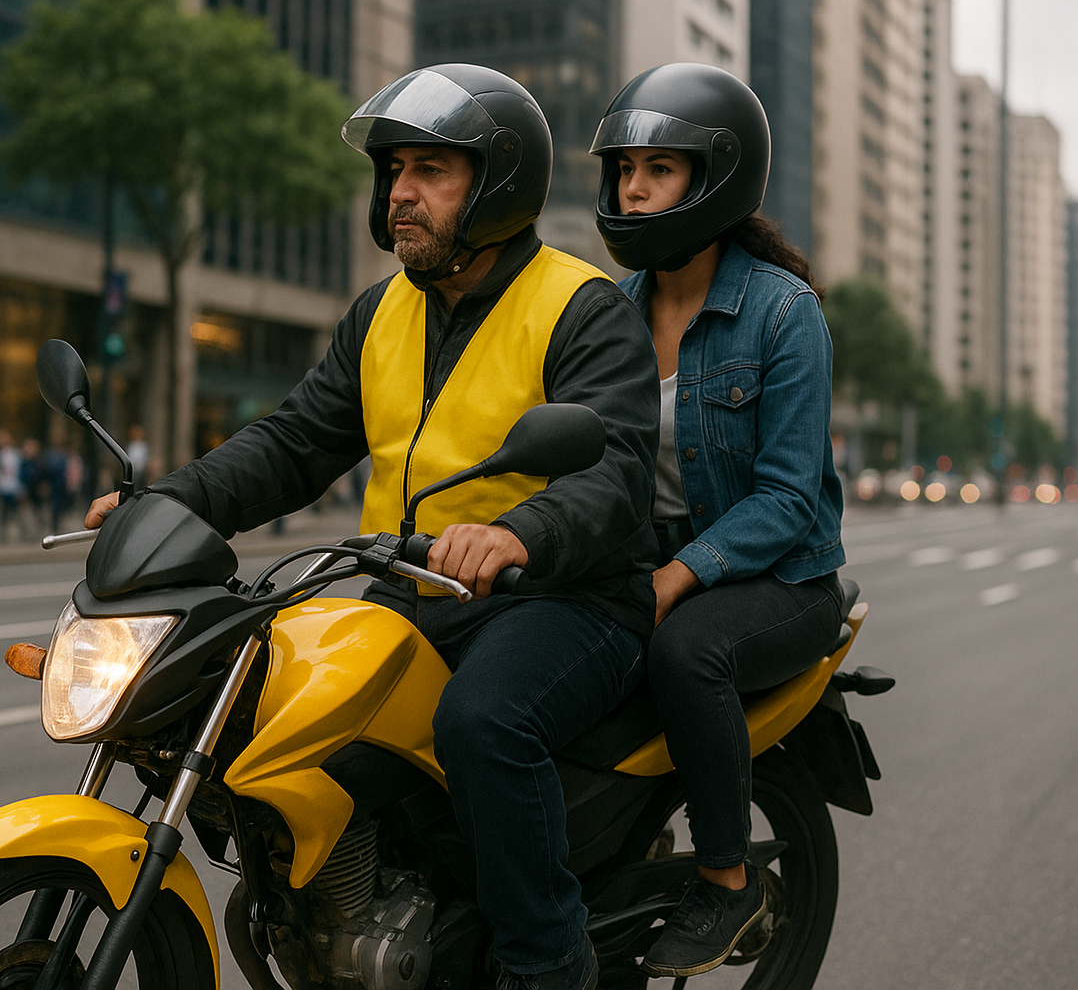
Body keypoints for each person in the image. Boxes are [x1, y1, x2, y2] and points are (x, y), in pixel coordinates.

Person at [85, 64, 660, 990]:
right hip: (410, 591)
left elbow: (615, 469)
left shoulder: (580, 307)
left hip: (563, 598)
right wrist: (171, 502)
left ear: (498, 184)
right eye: (394, 171)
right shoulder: (382, 312)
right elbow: (294, 442)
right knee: (272, 714)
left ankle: (546, 960)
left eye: (431, 170)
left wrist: (518, 532)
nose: (400, 193)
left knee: (482, 722)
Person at [589, 63, 848, 978]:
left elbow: (789, 498)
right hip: (649, 564)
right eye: (625, 169)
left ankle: (727, 881)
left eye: (658, 169)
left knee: (686, 652)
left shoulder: (782, 313)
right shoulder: (611, 314)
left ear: (716, 181)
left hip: (780, 578)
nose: (633, 188)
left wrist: (680, 573)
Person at [0, 429, 24, 543]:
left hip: (13, 488)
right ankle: (1, 535)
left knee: (17, 513)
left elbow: (19, 471)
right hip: (2, 488)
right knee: (2, 514)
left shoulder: (15, 454)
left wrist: (20, 487)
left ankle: (24, 533)